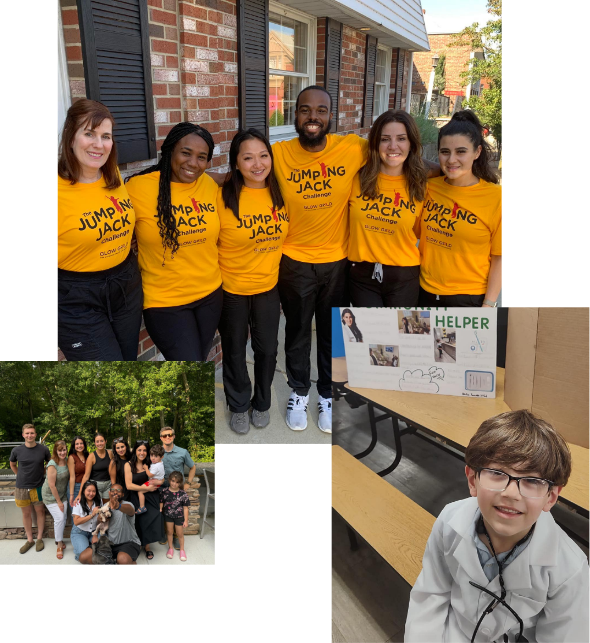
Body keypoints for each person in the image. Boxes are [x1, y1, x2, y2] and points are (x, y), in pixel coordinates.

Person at [404, 410, 590, 642]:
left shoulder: (569, 570)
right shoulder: (450, 520)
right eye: (496, 473)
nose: (511, 493)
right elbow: (431, 594)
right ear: (473, 480)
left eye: (532, 480)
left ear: (551, 497)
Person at [126, 123, 223, 360]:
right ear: (170, 150)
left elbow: (231, 179)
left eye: (202, 157)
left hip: (210, 293)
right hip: (164, 301)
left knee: (197, 363)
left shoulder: (207, 184)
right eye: (186, 153)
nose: (193, 163)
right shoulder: (137, 188)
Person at [57, 99, 143, 360]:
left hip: (125, 285)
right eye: (89, 134)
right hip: (76, 298)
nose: (99, 144)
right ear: (70, 137)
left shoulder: (112, 176)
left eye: (106, 136)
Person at [217, 129, 288, 434]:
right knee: (233, 350)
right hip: (231, 289)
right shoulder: (221, 196)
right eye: (247, 157)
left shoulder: (281, 192)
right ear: (235, 163)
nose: (257, 164)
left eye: (263, 155)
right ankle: (238, 404)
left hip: (268, 288)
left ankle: (262, 402)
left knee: (268, 350)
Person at [417, 110, 502, 307]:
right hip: (423, 291)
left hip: (468, 299)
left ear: (477, 152)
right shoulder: (429, 187)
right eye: (445, 152)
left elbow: (499, 258)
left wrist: (489, 304)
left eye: (461, 152)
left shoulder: (495, 197)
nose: (451, 160)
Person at [348, 110, 426, 306]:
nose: (393, 146)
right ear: (375, 143)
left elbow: (420, 232)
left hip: (404, 276)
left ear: (411, 143)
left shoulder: (422, 185)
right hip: (361, 277)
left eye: (401, 138)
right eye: (385, 139)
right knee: (365, 336)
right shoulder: (355, 179)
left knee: (402, 337)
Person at [9, 424, 50, 554]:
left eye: (32, 433)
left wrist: (41, 473)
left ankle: (39, 539)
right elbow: (12, 464)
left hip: (38, 486)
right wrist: (19, 475)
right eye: (27, 433)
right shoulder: (17, 450)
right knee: (26, 514)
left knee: (40, 512)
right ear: (23, 435)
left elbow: (49, 465)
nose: (29, 435)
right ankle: (30, 539)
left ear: (35, 434)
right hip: (21, 487)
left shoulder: (43, 449)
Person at [78, 484, 142, 565]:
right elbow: (100, 524)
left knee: (123, 560)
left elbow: (131, 510)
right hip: (109, 544)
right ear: (109, 493)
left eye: (118, 491)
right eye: (112, 490)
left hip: (129, 543)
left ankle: (131, 562)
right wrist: (99, 519)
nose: (115, 492)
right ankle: (110, 561)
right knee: (83, 557)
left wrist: (118, 506)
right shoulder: (105, 506)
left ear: (123, 494)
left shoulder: (128, 504)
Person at [124, 440, 165, 559]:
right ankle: (138, 544)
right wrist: (145, 489)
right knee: (139, 519)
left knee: (152, 516)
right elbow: (129, 485)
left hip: (151, 495)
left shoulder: (150, 462)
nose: (142, 452)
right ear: (135, 451)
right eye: (139, 450)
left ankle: (147, 546)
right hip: (136, 495)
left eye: (144, 450)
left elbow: (161, 477)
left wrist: (160, 482)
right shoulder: (129, 465)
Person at [159, 427, 196, 550]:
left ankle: (176, 536)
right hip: (161, 487)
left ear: (174, 436)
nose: (167, 437)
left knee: (177, 512)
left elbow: (193, 467)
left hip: (177, 489)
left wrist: (188, 483)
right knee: (163, 511)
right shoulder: (157, 452)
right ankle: (164, 533)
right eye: (164, 435)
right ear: (161, 438)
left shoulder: (182, 452)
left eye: (170, 435)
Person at [41, 440, 70, 560]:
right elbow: (52, 485)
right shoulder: (52, 464)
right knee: (60, 518)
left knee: (63, 518)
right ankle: (59, 544)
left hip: (62, 494)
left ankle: (59, 539)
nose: (62, 452)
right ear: (55, 451)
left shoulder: (68, 461)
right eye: (60, 450)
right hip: (50, 495)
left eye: (64, 450)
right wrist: (58, 502)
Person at [74, 433, 113, 507]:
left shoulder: (110, 453)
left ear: (105, 441)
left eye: (101, 441)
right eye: (97, 441)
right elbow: (86, 475)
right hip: (95, 485)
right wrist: (80, 493)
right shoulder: (91, 456)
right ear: (95, 443)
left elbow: (113, 471)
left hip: (108, 484)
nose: (99, 443)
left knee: (106, 508)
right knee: (97, 507)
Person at [159, 471, 191, 562]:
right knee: (169, 532)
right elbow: (161, 501)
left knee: (179, 534)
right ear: (169, 480)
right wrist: (160, 509)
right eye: (173, 481)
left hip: (179, 517)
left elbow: (185, 508)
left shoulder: (183, 494)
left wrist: (186, 521)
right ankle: (170, 548)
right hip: (168, 516)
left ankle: (182, 550)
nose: (174, 484)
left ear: (180, 483)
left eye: (177, 482)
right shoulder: (164, 491)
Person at [71, 479, 101, 563]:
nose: (91, 494)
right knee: (83, 556)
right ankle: (85, 545)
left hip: (94, 531)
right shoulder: (78, 502)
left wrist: (96, 533)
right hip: (80, 532)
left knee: (102, 550)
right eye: (89, 491)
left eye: (93, 491)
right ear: (83, 491)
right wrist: (92, 515)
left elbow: (101, 520)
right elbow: (76, 522)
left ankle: (89, 545)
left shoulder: (99, 501)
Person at [136, 444, 165, 514]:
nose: (153, 458)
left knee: (140, 491)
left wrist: (146, 468)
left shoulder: (156, 466)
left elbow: (150, 474)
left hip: (153, 482)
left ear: (161, 457)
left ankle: (142, 507)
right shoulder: (160, 463)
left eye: (156, 456)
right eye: (151, 456)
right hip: (157, 481)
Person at [67, 436, 88, 521]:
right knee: (76, 513)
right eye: (77, 444)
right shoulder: (72, 457)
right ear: (74, 446)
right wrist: (71, 495)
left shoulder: (88, 456)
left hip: (87, 487)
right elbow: (72, 477)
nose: (79, 445)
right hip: (75, 487)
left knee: (85, 512)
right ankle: (76, 533)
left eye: (81, 443)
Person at [109, 436, 131, 501]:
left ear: (126, 447)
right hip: (121, 491)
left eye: (122, 447)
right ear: (115, 450)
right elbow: (113, 483)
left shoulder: (131, 459)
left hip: (132, 490)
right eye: (118, 448)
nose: (120, 450)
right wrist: (116, 495)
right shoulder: (114, 462)